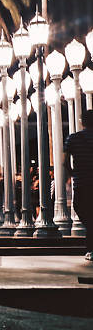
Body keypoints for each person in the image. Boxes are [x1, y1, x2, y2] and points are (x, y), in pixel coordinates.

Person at [64, 109, 93, 262]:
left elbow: (64, 162)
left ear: (82, 122)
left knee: (83, 212)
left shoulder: (73, 139)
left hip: (81, 183)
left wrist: (74, 173)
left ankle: (90, 248)